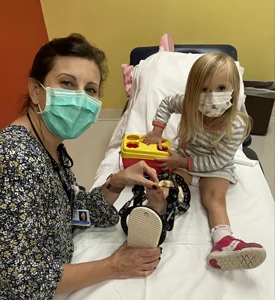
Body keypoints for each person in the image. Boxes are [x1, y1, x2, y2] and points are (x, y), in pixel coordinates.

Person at [0, 34, 165, 299]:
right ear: (35, 90)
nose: (79, 99)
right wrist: (114, 266)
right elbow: (21, 283)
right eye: (66, 83)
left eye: (90, 89)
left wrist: (116, 182)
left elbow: (72, 212)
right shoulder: (16, 158)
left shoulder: (50, 146)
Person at [143, 53, 267, 270]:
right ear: (193, 90)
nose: (211, 97)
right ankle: (156, 214)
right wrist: (157, 131)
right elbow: (166, 104)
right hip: (185, 156)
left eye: (221, 88)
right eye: (203, 89)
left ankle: (224, 241)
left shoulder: (236, 125)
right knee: (170, 186)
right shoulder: (188, 104)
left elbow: (218, 160)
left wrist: (182, 162)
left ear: (233, 90)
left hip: (216, 167)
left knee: (214, 198)